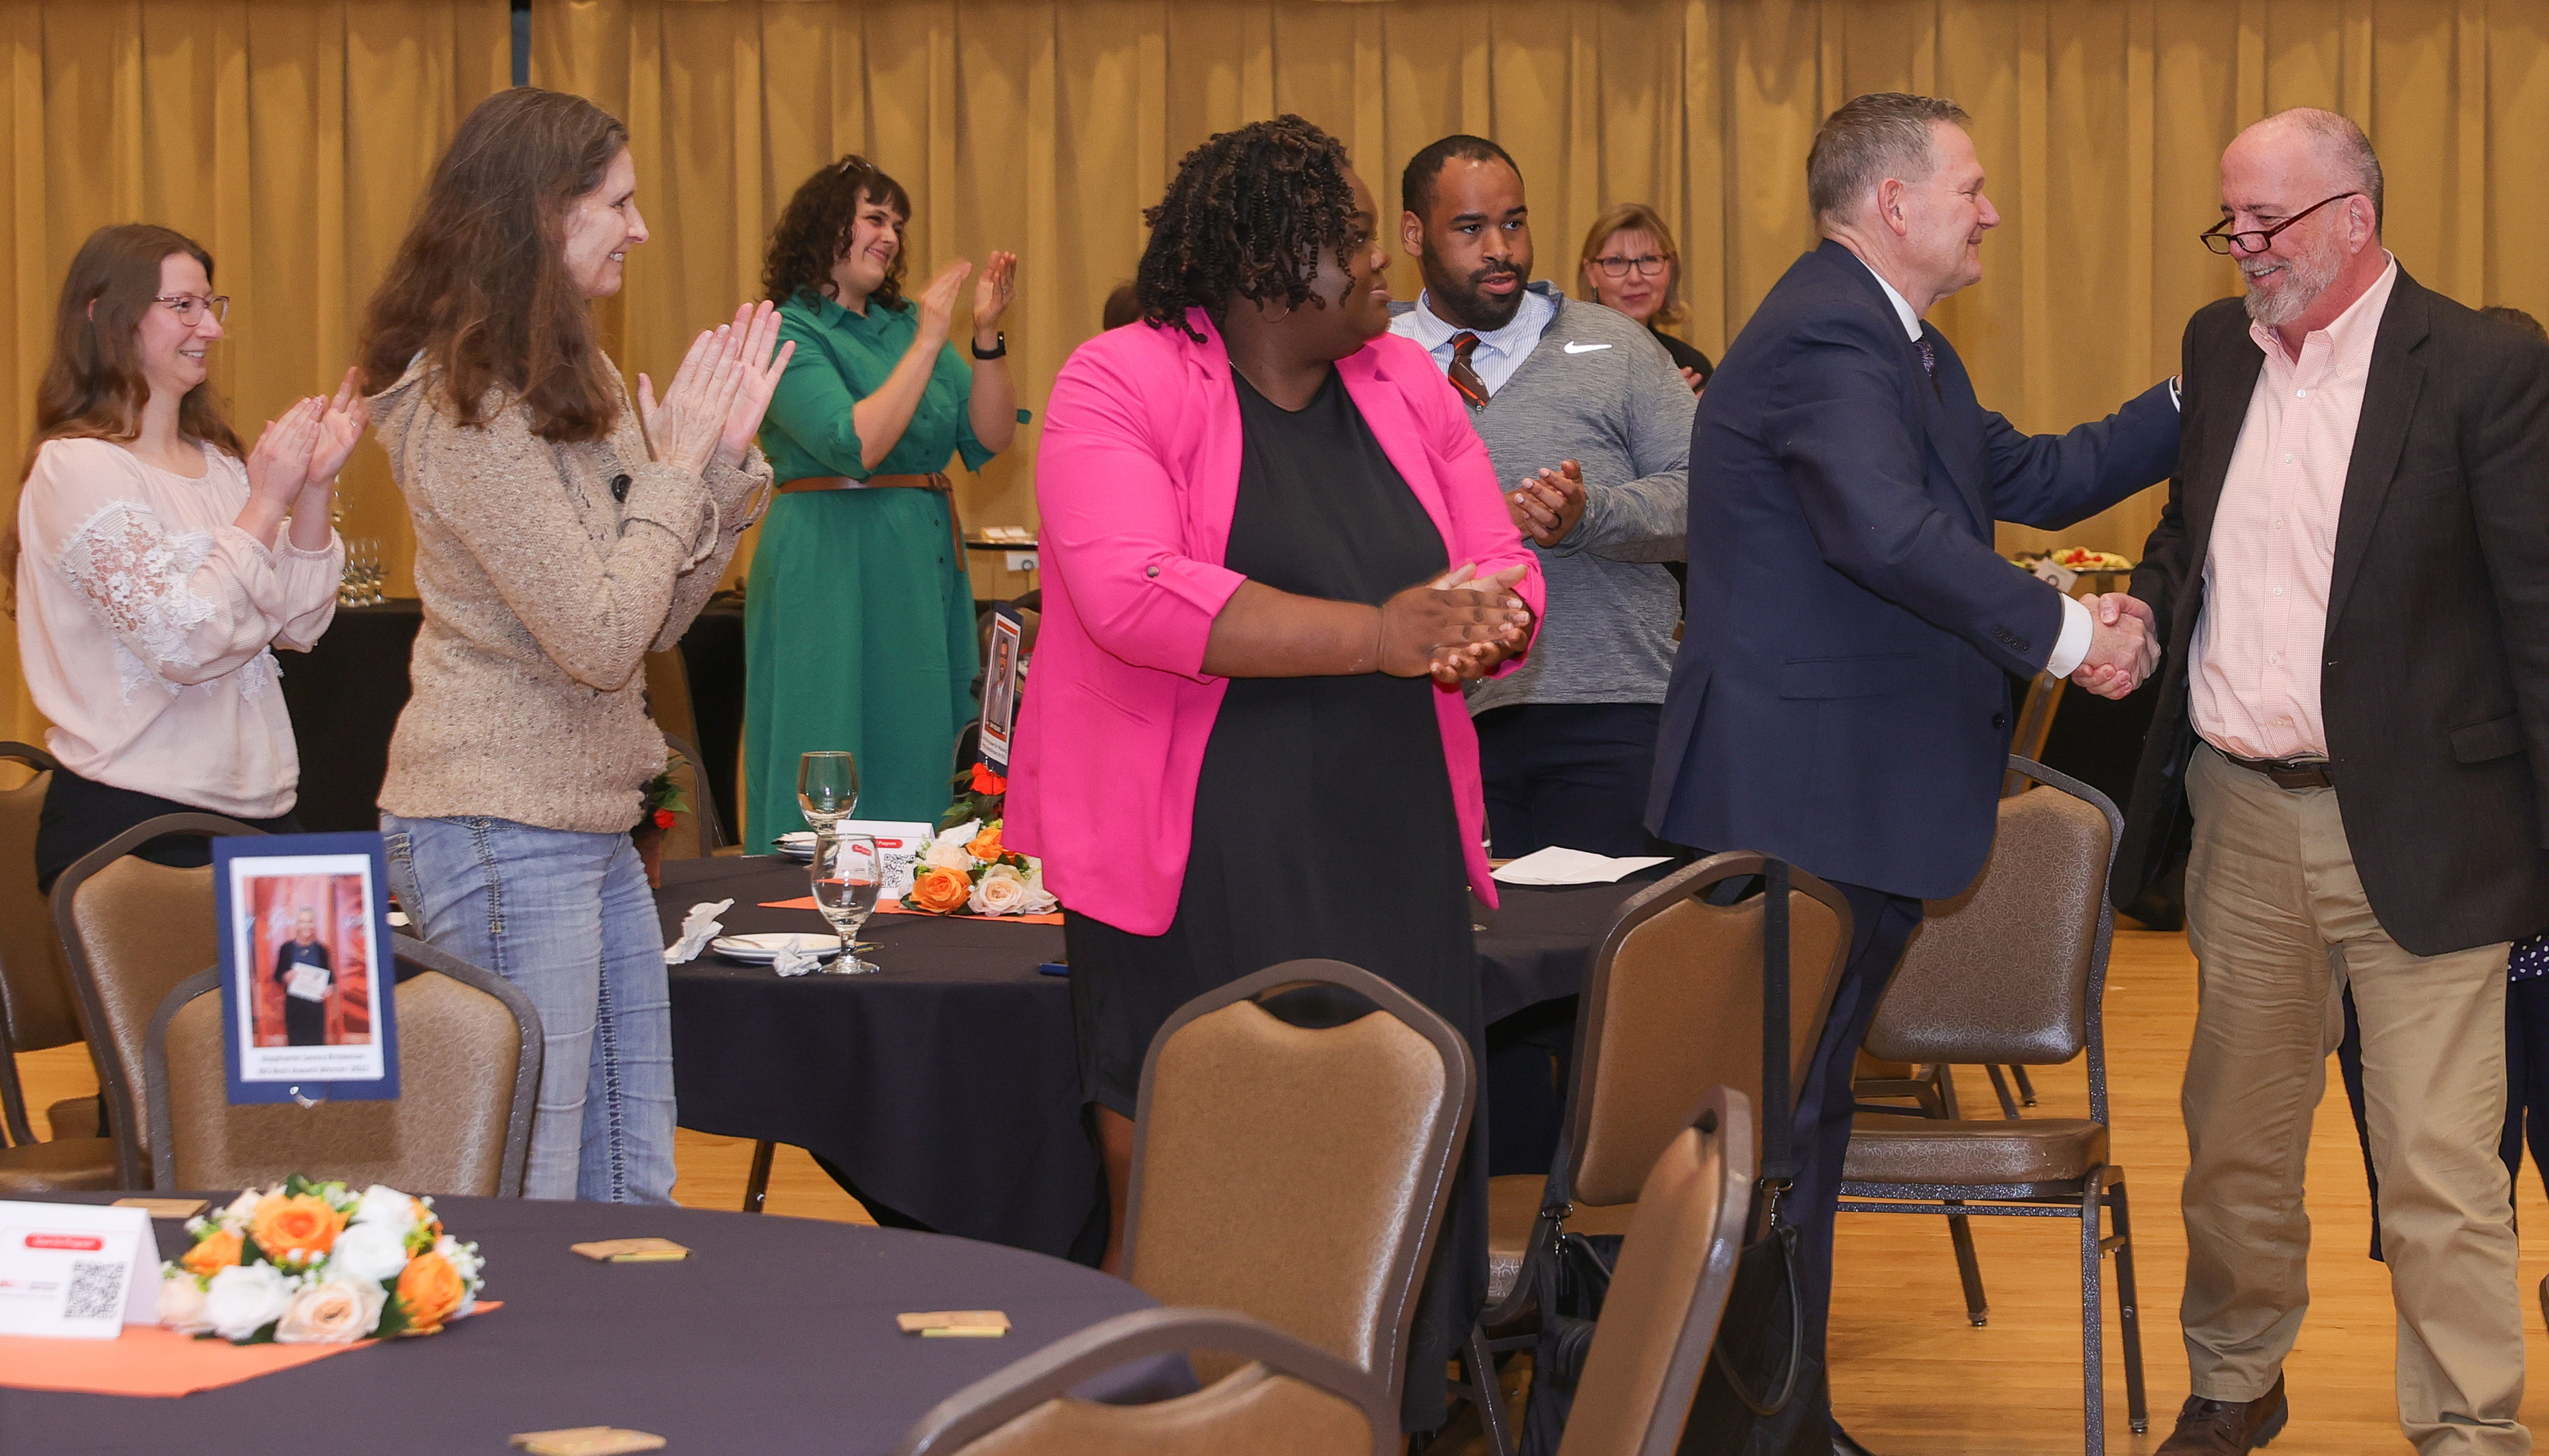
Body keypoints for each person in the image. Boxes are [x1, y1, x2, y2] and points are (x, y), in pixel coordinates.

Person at [1648, 92, 2177, 1455]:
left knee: (1805, 1126)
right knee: (1774, 1136)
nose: (1989, 210)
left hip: (1853, 802)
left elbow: (2045, 473)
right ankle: (1745, 1425)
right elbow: (1880, 530)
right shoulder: (1831, 330)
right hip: (1798, 799)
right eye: (1973, 186)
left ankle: (1785, 1418)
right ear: (1895, 204)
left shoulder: (1909, 353)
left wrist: (2205, 384)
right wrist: (2067, 635)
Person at [1004, 114, 1542, 1433]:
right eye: (1350, 240)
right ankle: (1176, 1426)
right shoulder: (1116, 382)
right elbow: (1134, 592)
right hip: (1193, 858)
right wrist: (1381, 631)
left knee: (1393, 1151)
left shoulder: (1407, 383)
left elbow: (1498, 554)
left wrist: (1493, 618)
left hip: (1392, 839)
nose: (1378, 261)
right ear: (1265, 269)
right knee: (1210, 1173)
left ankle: (1384, 1418)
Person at [2110, 110, 2549, 1456]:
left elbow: (2538, 608)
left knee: (2436, 1161)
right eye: (2228, 222)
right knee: (2237, 1140)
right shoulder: (2215, 350)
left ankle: (2470, 1425)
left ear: (2353, 216)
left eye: (2268, 222)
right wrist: (2141, 610)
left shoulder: (2483, 362)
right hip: (2245, 815)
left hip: (2431, 821)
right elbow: (2194, 529)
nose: (2241, 247)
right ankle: (2236, 1376)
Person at [361, 87, 790, 1204]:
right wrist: (675, 466)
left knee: (630, 1169)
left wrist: (721, 470)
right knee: (539, 1177)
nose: (641, 229)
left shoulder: (580, 376)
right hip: (497, 815)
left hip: (583, 813)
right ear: (542, 214)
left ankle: (624, 1376)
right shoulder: (461, 405)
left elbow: (650, 620)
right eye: (620, 202)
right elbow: (600, 636)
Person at [11, 222, 361, 892]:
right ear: (103, 316)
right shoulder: (75, 468)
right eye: (183, 306)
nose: (210, 329)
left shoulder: (221, 467)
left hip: (258, 815)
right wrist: (266, 503)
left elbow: (299, 627)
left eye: (211, 305)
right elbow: (186, 640)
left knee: (365, 995)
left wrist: (313, 487)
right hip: (136, 833)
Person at [1391, 135, 1693, 860]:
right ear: (1412, 234)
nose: (1500, 248)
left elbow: (1709, 500)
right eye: (1470, 228)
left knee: (1614, 962)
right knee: (1457, 967)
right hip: (1418, 720)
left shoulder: (1617, 346)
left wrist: (1591, 517)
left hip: (1612, 710)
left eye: (1515, 223)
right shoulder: (1371, 361)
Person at [744, 155, 1022, 846]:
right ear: (826, 225)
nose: (891, 235)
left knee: (919, 728)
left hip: (917, 567)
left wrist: (984, 337)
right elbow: (854, 443)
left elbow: (988, 435)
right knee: (828, 723)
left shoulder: (901, 326)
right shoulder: (788, 328)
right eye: (874, 217)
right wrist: (931, 337)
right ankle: (807, 892)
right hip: (831, 563)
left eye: (897, 223)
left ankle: (922, 884)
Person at [1577, 202, 1713, 390]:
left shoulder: (1690, 365)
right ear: (1590, 273)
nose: (1635, 278)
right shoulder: (1567, 359)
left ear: (1670, 268)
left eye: (1649, 260)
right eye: (1616, 262)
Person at [272, 907, 333, 1047]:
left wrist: (331, 987)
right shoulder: (287, 949)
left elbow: (331, 978)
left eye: (310, 921)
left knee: (317, 1046)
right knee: (295, 1046)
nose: (306, 925)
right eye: (302, 922)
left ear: (315, 924)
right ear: (297, 924)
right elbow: (277, 975)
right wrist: (285, 976)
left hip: (316, 1009)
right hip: (294, 1008)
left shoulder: (322, 950)